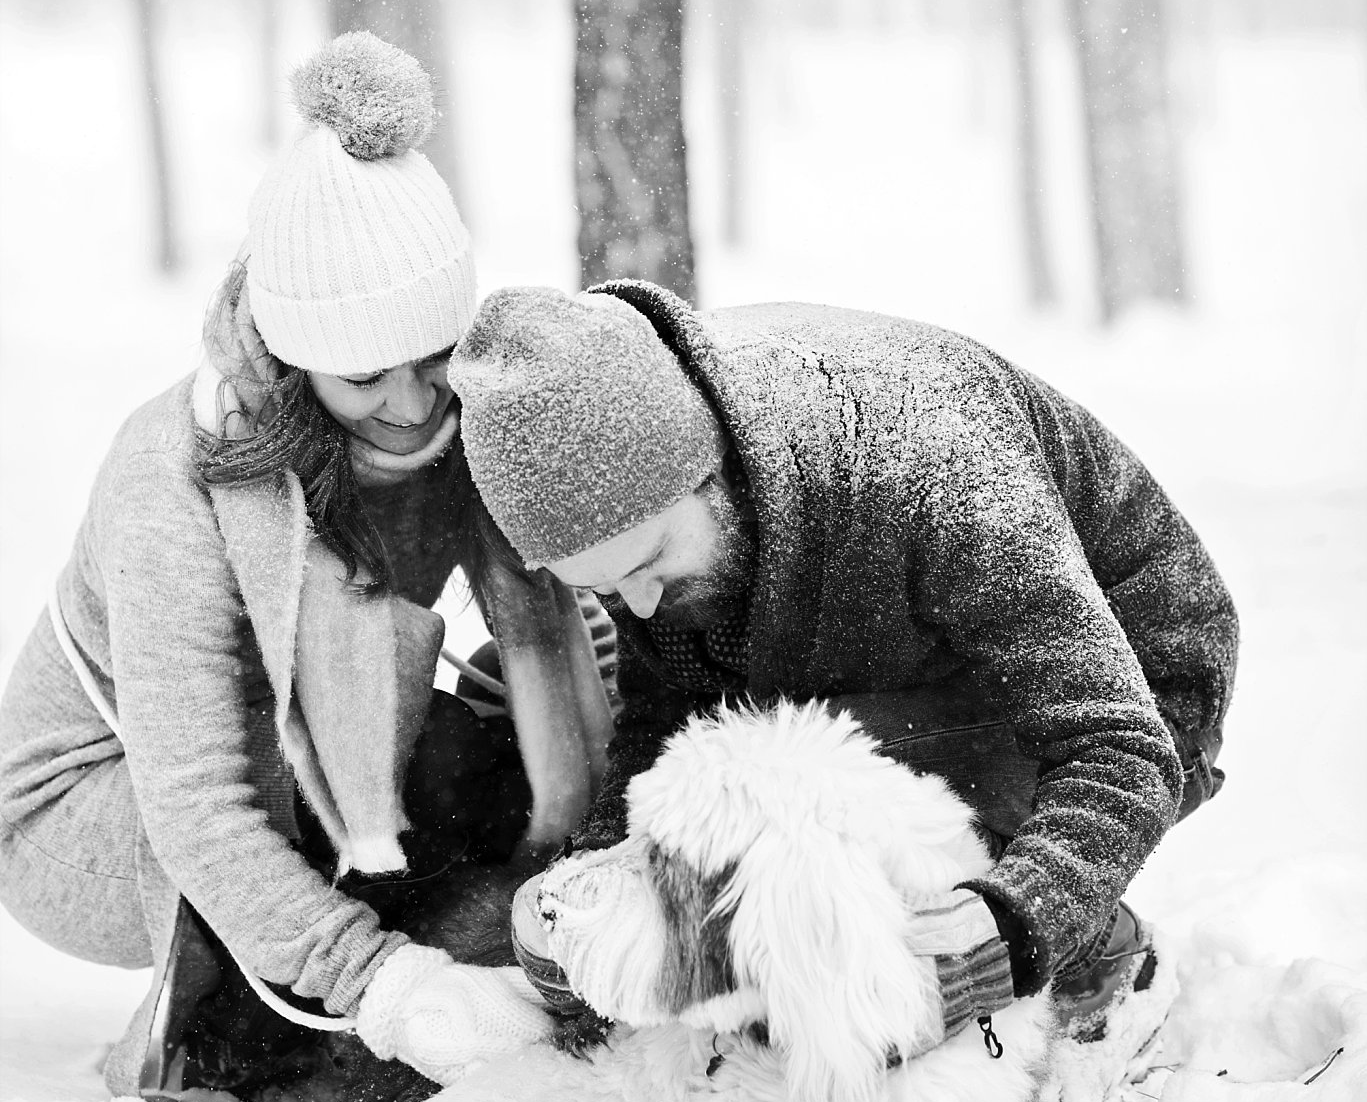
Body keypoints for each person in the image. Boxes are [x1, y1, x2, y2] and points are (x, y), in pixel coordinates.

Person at [0, 34, 608, 1102]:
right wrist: (385, 982)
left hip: (290, 746)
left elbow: (552, 613)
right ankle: (264, 1040)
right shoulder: (177, 474)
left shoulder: (459, 410)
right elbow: (200, 796)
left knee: (480, 766)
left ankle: (482, 963)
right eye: (366, 374)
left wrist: (556, 687)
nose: (413, 405)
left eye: (431, 362)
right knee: (301, 809)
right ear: (290, 354)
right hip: (87, 806)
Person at [449, 280, 1239, 1047]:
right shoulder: (660, 521)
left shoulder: (930, 463)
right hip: (883, 671)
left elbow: (1118, 748)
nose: (642, 604)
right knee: (743, 795)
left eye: (651, 560)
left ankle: (1094, 952)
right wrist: (596, 879)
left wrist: (1011, 919)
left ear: (710, 464)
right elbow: (666, 718)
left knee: (796, 804)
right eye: (605, 585)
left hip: (1135, 691)